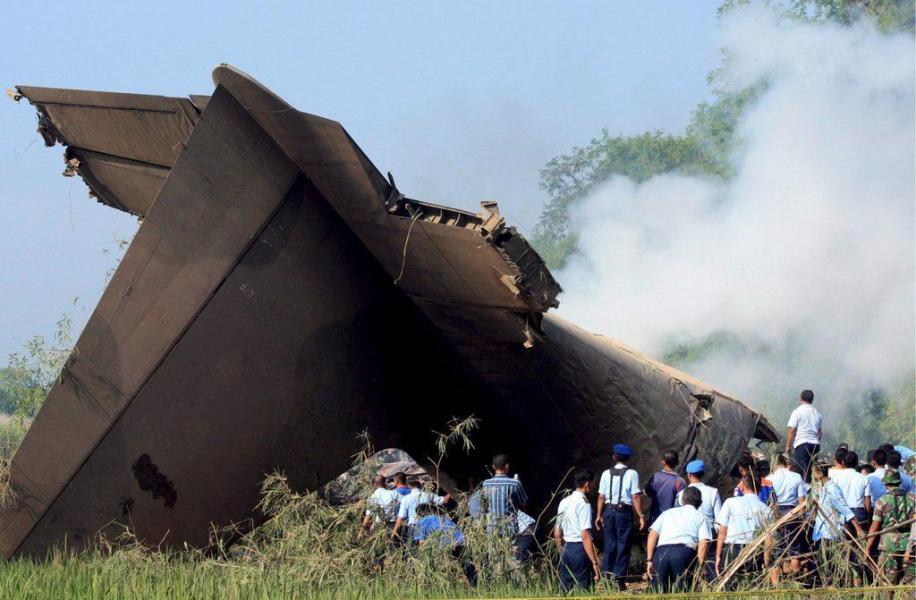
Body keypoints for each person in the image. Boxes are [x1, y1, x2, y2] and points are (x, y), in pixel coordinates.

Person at [595, 443, 646, 588]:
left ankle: (607, 575)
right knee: (623, 544)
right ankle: (618, 578)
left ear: (614, 457)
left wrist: (599, 515)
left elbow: (601, 496)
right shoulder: (632, 474)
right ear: (627, 458)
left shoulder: (606, 473)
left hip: (609, 511)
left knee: (609, 543)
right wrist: (640, 515)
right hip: (624, 512)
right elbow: (635, 496)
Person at [646, 486, 712, 592]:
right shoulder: (701, 517)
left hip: (661, 554)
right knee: (683, 592)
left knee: (657, 592)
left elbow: (652, 535)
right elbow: (704, 542)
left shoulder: (667, 513)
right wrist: (700, 566)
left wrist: (649, 560)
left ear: (682, 501)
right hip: (684, 554)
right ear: (700, 503)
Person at [554, 468, 601, 592]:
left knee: (565, 589)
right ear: (587, 484)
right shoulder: (584, 503)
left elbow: (557, 533)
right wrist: (594, 562)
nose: (594, 486)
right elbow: (585, 534)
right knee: (583, 589)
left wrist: (561, 552)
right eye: (593, 483)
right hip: (579, 550)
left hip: (566, 549)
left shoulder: (564, 502)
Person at [716, 476, 771, 580]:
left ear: (742, 488)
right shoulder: (766, 509)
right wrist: (766, 561)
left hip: (733, 549)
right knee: (751, 583)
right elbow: (769, 538)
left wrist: (718, 555)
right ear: (759, 489)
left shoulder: (730, 502)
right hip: (755, 551)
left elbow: (722, 531)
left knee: (729, 584)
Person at [866, 470, 916, 585]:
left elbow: (875, 527)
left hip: (888, 546)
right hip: (909, 546)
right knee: (910, 583)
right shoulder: (913, 499)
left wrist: (867, 549)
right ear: (899, 482)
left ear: (886, 484)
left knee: (887, 582)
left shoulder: (882, 501)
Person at [830, 450, 872, 586]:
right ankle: (858, 582)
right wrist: (869, 519)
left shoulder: (835, 479)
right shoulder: (864, 478)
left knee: (843, 549)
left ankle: (844, 581)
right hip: (859, 515)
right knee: (858, 550)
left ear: (842, 462)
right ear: (856, 463)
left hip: (841, 515)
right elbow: (867, 504)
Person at [676, 459, 722, 581]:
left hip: (688, 532)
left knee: (689, 565)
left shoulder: (681, 494)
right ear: (703, 474)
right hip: (708, 533)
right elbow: (718, 519)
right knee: (710, 564)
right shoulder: (713, 492)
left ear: (689, 475)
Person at [413, 504, 477, 586]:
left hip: (443, 546)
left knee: (441, 567)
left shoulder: (421, 522)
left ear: (418, 514)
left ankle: (446, 586)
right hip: (460, 542)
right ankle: (474, 585)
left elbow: (421, 542)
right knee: (467, 565)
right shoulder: (444, 519)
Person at [768, 454, 806, 578]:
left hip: (775, 514)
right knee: (794, 551)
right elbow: (802, 501)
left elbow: (770, 501)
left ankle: (777, 586)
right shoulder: (796, 476)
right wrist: (802, 519)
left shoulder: (770, 478)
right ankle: (797, 580)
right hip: (793, 513)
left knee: (777, 551)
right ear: (786, 462)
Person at [391, 477, 451, 542]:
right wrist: (451, 491)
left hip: (413, 527)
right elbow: (445, 500)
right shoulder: (428, 495)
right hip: (429, 524)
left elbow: (401, 518)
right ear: (419, 484)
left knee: (414, 548)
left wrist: (394, 532)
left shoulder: (406, 499)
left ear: (408, 485)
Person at [481, 454, 528, 536]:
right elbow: (523, 504)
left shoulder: (486, 484)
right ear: (507, 466)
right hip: (510, 529)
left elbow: (484, 505)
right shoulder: (515, 483)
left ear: (493, 467)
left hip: (491, 530)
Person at [785, 389, 822, 482]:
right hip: (815, 445)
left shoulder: (798, 411)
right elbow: (820, 432)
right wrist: (816, 441)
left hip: (803, 444)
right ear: (811, 400)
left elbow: (792, 430)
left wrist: (788, 446)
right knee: (809, 471)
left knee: (800, 472)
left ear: (801, 398)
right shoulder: (817, 413)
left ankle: (802, 494)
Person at [645, 449, 687, 523]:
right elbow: (682, 502)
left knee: (653, 534)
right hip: (672, 519)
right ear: (677, 463)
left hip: (655, 517)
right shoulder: (681, 481)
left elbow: (647, 492)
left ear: (663, 462)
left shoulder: (655, 477)